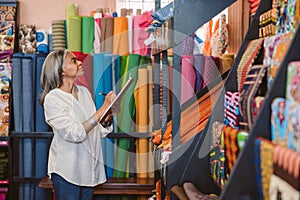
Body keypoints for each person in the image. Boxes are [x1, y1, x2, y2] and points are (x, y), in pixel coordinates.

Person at [39, 49, 117, 200]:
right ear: (61, 70)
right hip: (67, 172)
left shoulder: (83, 92)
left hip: (88, 170)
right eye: (73, 61)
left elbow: (94, 129)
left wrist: (107, 117)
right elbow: (75, 133)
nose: (80, 62)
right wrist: (101, 110)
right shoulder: (53, 98)